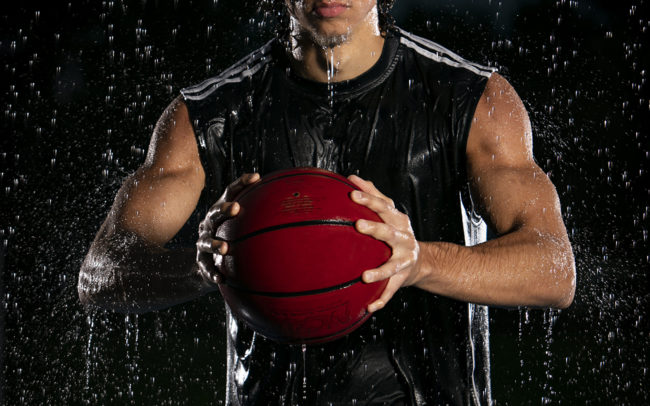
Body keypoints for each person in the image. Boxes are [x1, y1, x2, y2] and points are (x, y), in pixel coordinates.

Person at [78, 0, 576, 404]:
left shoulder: (474, 99)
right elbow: (99, 272)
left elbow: (554, 271)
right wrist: (201, 266)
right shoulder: (209, 115)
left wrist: (420, 261)